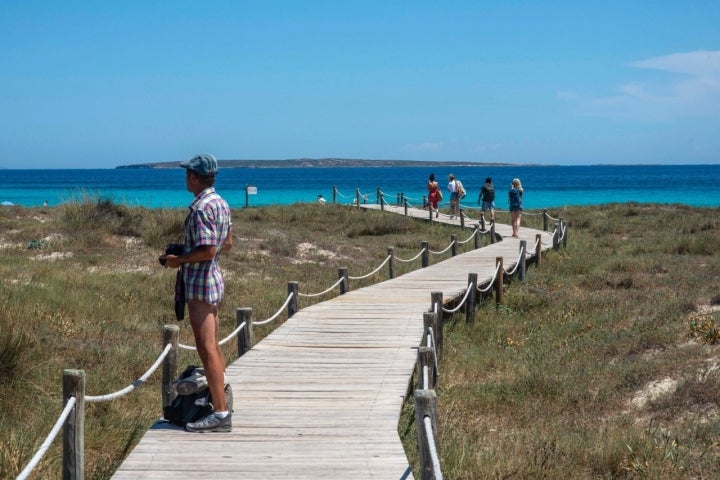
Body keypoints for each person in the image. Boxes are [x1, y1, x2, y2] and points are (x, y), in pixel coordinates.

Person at [160, 153, 234, 433]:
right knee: (213, 346)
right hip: (213, 278)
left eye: (187, 174)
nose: (185, 178)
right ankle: (220, 399)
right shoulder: (221, 204)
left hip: (201, 283)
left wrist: (178, 260)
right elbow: (227, 243)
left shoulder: (202, 208)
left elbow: (209, 250)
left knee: (206, 348)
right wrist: (191, 251)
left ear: (193, 176)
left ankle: (220, 413)